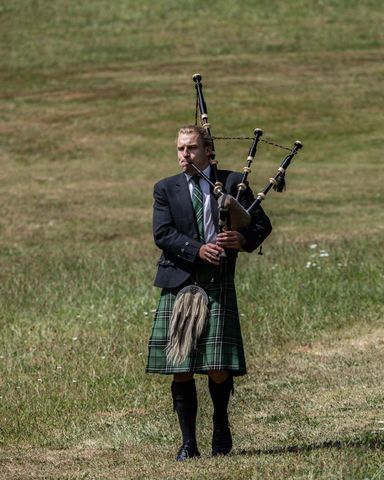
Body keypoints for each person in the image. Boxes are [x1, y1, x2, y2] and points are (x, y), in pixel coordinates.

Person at [146, 125, 272, 460]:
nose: (183, 155)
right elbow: (163, 233)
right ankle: (188, 443)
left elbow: (261, 224)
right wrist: (197, 249)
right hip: (180, 281)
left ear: (208, 150)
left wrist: (241, 240)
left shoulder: (233, 184)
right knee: (181, 364)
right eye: (179, 149)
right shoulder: (166, 188)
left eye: (190, 148)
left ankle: (220, 424)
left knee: (218, 366)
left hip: (217, 282)